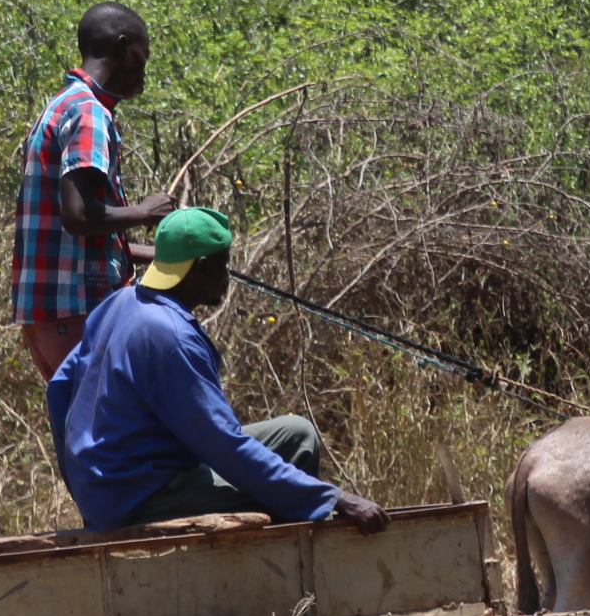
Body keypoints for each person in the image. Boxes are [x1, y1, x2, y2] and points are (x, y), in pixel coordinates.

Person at [48, 207, 391, 534]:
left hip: (113, 488)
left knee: (297, 435)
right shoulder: (172, 336)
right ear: (201, 268)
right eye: (224, 266)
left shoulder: (120, 302)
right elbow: (223, 445)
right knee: (279, 498)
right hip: (142, 498)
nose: (228, 276)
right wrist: (330, 497)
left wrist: (86, 489)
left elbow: (59, 388)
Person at [12, 2, 177, 378]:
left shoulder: (60, 105)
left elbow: (65, 235)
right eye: (142, 56)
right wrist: (146, 212)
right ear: (122, 47)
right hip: (77, 312)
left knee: (80, 432)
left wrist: (159, 254)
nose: (144, 69)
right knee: (109, 433)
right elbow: (79, 216)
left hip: (47, 314)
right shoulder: (90, 112)